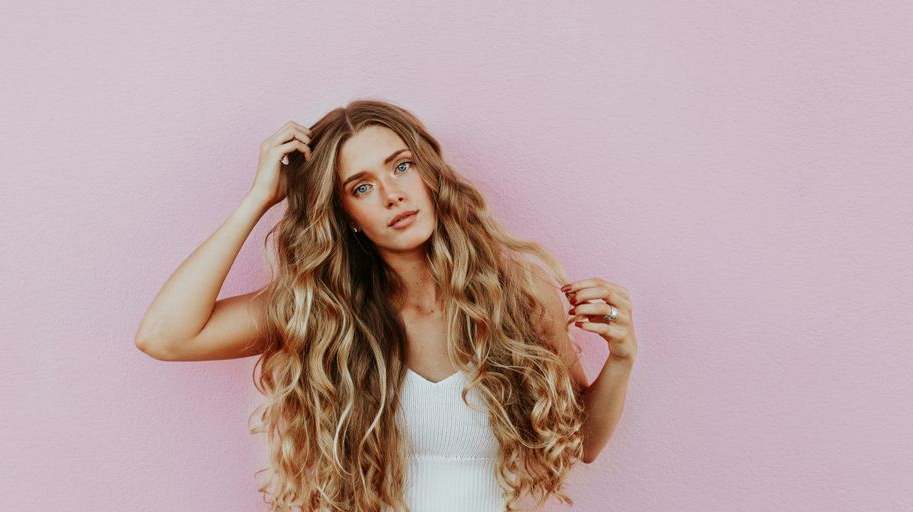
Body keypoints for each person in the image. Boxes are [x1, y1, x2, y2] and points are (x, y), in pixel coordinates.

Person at [134, 99, 638, 511]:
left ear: (429, 174)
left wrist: (620, 358)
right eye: (362, 187)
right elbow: (165, 336)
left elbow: (583, 444)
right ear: (345, 214)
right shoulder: (323, 311)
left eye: (401, 166)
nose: (393, 194)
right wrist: (261, 197)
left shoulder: (517, 295)